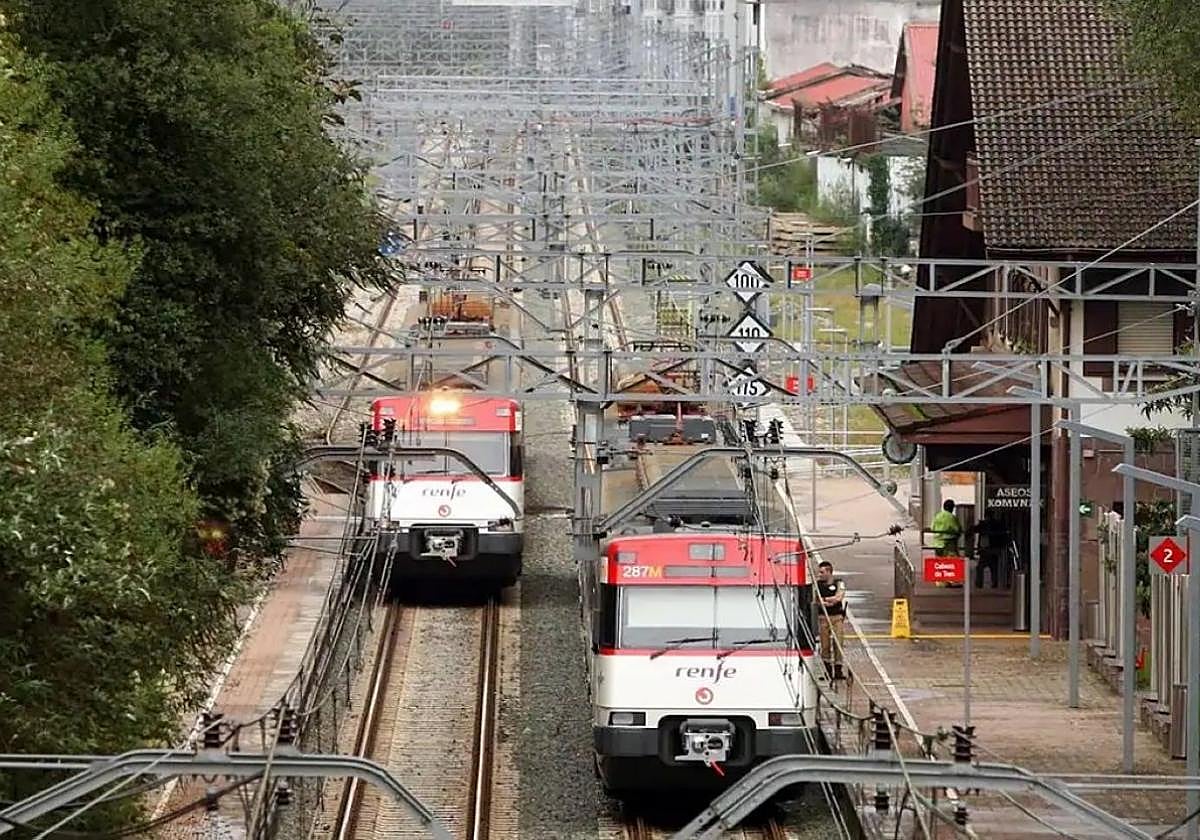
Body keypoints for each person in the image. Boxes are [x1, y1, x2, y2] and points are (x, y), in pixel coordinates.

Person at [816, 560, 847, 681]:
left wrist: (827, 600)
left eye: (822, 572)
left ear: (829, 572)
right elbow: (817, 600)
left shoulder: (839, 583)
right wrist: (829, 600)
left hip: (837, 617)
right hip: (823, 618)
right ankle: (827, 670)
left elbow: (839, 597)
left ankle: (838, 669)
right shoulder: (818, 585)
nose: (820, 574)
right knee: (825, 644)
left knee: (838, 642)